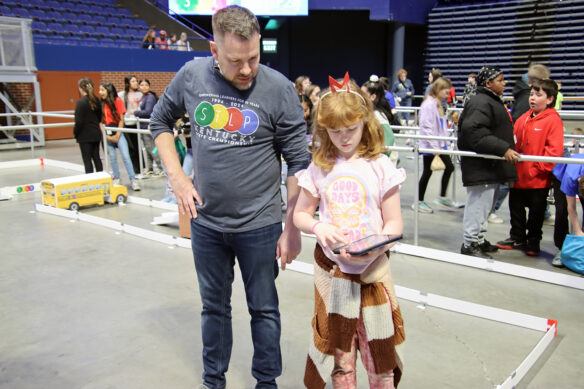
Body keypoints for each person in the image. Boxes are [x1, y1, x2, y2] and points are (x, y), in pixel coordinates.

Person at [149, 6, 310, 388]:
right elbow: (160, 122)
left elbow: (298, 162)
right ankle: (213, 381)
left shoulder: (279, 88)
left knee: (264, 310)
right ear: (214, 49)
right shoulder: (191, 75)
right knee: (214, 309)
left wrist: (292, 229)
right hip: (207, 224)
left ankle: (266, 383)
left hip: (261, 225)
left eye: (253, 58)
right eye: (235, 61)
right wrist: (178, 178)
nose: (246, 69)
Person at [293, 73, 405, 389]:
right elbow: (300, 214)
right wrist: (319, 226)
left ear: (364, 123)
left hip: (374, 274)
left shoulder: (380, 165)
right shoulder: (320, 166)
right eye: (335, 131)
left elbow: (394, 222)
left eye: (351, 129)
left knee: (379, 357)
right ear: (324, 129)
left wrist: (378, 245)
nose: (344, 138)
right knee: (340, 358)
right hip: (332, 274)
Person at [457, 66, 520, 258]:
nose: (504, 83)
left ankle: (478, 239)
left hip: (490, 165)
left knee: (486, 206)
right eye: (500, 80)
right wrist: (503, 148)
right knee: (478, 205)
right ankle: (469, 243)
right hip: (481, 165)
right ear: (488, 83)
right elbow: (473, 131)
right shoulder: (481, 102)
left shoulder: (489, 100)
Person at [497, 79, 564, 256]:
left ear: (550, 99)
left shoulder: (553, 120)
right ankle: (517, 237)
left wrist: (538, 169)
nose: (532, 98)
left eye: (538, 95)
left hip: (538, 180)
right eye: (532, 94)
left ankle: (533, 242)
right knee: (516, 209)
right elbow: (514, 141)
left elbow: (554, 151)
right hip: (519, 176)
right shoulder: (523, 118)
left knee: (536, 215)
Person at [413, 77, 456, 213]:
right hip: (431, 144)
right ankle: (419, 201)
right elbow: (426, 126)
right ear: (438, 90)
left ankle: (441, 196)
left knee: (447, 167)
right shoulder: (429, 104)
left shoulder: (438, 104)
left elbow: (440, 125)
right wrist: (434, 146)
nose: (447, 95)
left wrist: (444, 143)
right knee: (428, 171)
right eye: (446, 92)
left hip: (439, 144)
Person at [98, 82, 140, 191]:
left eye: (102, 90)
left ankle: (133, 179)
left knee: (126, 156)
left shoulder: (117, 101)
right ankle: (116, 177)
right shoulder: (100, 103)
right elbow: (100, 122)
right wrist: (106, 136)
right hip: (106, 132)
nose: (100, 92)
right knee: (112, 157)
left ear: (108, 90)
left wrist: (117, 134)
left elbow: (121, 119)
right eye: (100, 90)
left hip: (118, 130)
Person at [551, 153, 584, 266]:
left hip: (578, 172)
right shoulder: (571, 177)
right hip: (562, 175)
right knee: (562, 210)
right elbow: (572, 208)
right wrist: (578, 231)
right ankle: (562, 248)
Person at [361, 78, 399, 165]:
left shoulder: (377, 115)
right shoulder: (368, 113)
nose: (359, 97)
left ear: (373, 97)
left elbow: (388, 140)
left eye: (363, 94)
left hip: (383, 163)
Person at [133, 78, 163, 176]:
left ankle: (160, 167)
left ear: (149, 86)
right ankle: (150, 168)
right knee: (147, 147)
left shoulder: (150, 97)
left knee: (152, 148)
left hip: (148, 126)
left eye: (146, 85)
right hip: (143, 127)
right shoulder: (143, 97)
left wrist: (135, 112)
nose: (144, 87)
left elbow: (148, 112)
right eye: (142, 85)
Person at [74, 77, 103, 174]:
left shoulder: (80, 103)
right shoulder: (97, 100)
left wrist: (75, 133)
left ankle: (90, 180)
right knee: (96, 158)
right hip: (96, 133)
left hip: (84, 136)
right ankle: (100, 178)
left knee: (87, 160)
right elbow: (99, 118)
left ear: (81, 88)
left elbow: (79, 122)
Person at [118, 75, 142, 175]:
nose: (136, 83)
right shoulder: (121, 95)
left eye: (136, 81)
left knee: (138, 147)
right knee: (131, 147)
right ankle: (134, 168)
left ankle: (142, 167)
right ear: (128, 84)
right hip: (127, 124)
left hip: (137, 123)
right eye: (133, 81)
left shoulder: (140, 95)